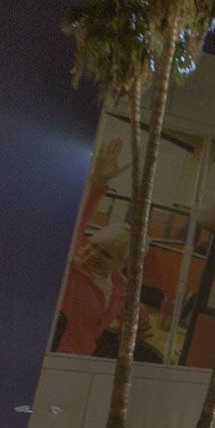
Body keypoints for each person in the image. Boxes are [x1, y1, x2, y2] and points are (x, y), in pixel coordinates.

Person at [53, 138, 152, 355]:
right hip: (54, 356)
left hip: (82, 359)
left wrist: (136, 323)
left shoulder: (119, 287)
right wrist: (97, 185)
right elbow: (74, 224)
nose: (93, 253)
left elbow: (134, 319)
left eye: (105, 254)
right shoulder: (71, 269)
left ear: (122, 263)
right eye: (93, 245)